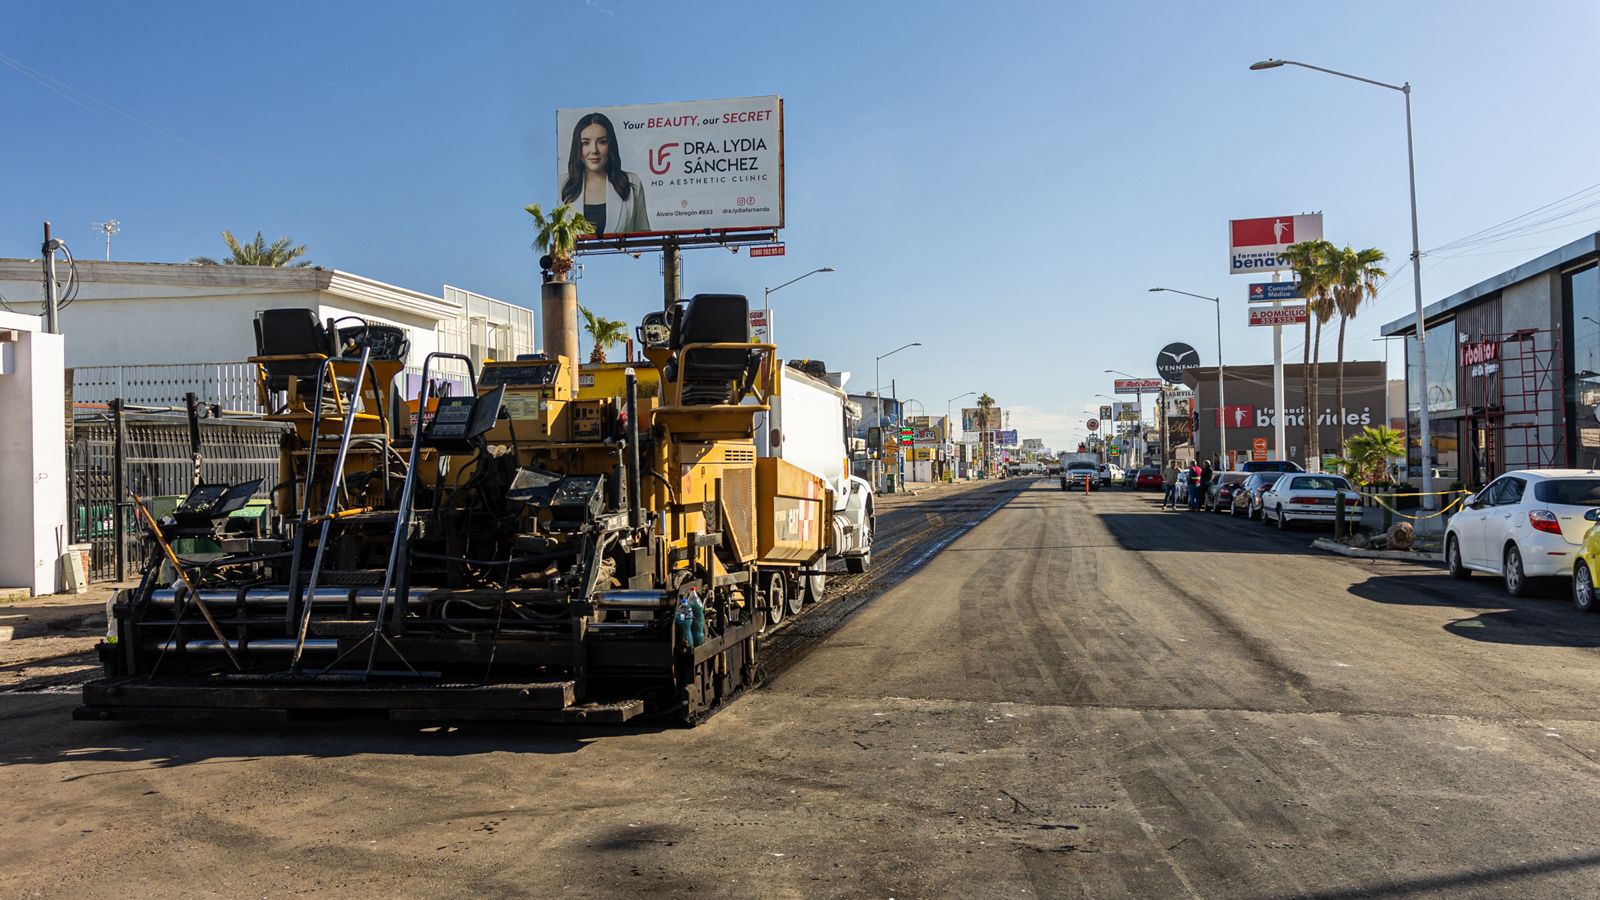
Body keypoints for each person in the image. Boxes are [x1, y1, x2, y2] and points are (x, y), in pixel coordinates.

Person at [560, 112, 650, 236]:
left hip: (621, 255)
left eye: (602, 142)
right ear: (577, 147)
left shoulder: (631, 182)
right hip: (576, 256)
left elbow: (643, 233)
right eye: (586, 143)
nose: (594, 150)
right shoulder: (562, 184)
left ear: (610, 145)